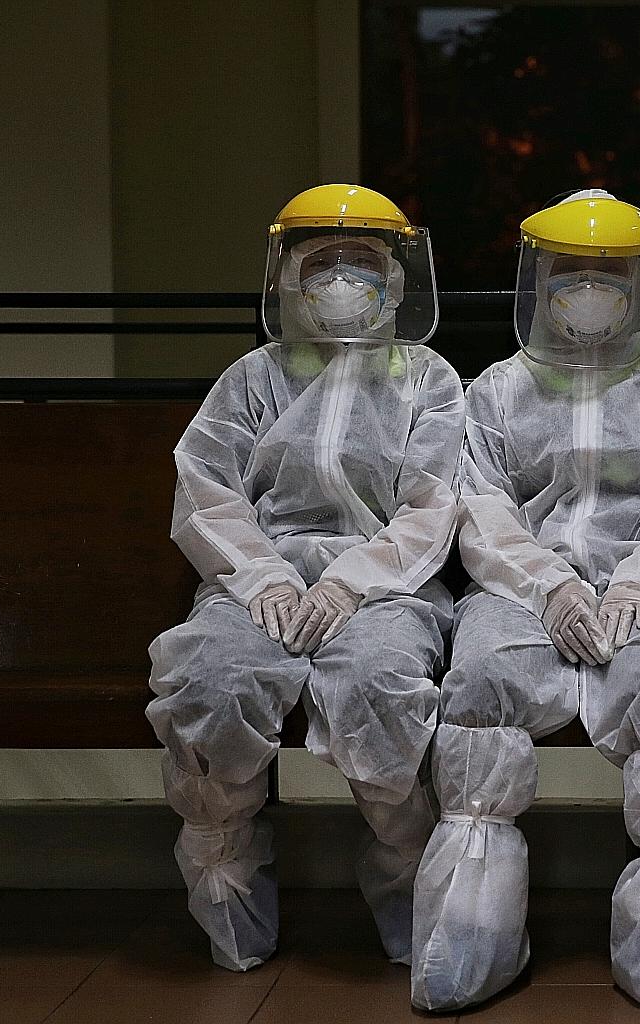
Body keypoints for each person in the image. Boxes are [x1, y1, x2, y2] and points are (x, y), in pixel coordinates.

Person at [411, 190, 640, 1020]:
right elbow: (482, 507)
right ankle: (473, 933)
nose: (589, 290)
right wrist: (549, 584)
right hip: (521, 592)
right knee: (479, 680)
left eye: (610, 273)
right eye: (571, 273)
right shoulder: (498, 390)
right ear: (538, 278)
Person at [146, 184, 464, 972]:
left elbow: (432, 505)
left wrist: (350, 582)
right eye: (323, 263)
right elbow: (206, 491)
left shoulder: (427, 380)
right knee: (213, 681)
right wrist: (264, 578)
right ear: (287, 277)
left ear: (398, 279)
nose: (343, 280)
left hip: (387, 587)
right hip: (256, 584)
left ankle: (407, 869)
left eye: (364, 263)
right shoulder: (252, 378)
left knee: (377, 685)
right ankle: (224, 868)